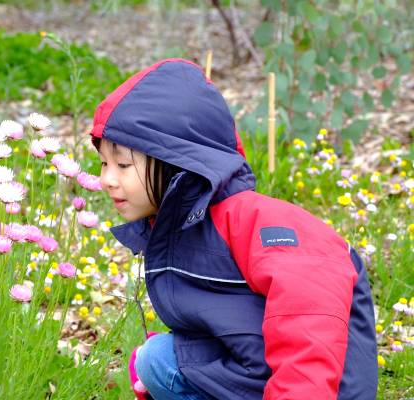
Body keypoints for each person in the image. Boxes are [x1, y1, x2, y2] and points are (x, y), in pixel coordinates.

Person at [89, 59, 378, 399]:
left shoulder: (260, 225)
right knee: (156, 360)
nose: (106, 180)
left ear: (178, 160)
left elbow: (309, 326)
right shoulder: (178, 227)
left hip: (317, 387)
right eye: (104, 163)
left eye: (123, 165)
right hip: (256, 374)